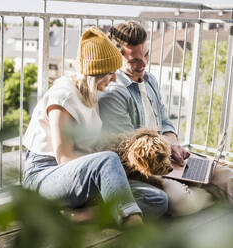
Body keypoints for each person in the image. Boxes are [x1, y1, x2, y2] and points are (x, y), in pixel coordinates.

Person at [100, 21, 233, 216]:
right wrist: (170, 161)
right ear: (117, 59)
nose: (143, 64)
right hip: (143, 169)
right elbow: (131, 153)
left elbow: (164, 122)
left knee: (228, 176)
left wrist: (174, 145)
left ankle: (208, 190)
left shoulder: (150, 80)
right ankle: (212, 194)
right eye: (134, 60)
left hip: (168, 156)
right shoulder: (114, 94)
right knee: (180, 200)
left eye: (145, 55)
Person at [22, 27, 142, 225]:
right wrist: (107, 168)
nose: (113, 79)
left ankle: (80, 217)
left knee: (157, 200)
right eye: (111, 73)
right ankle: (136, 230)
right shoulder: (64, 96)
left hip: (77, 175)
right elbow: (64, 158)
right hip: (45, 176)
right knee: (108, 162)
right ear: (95, 74)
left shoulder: (90, 93)